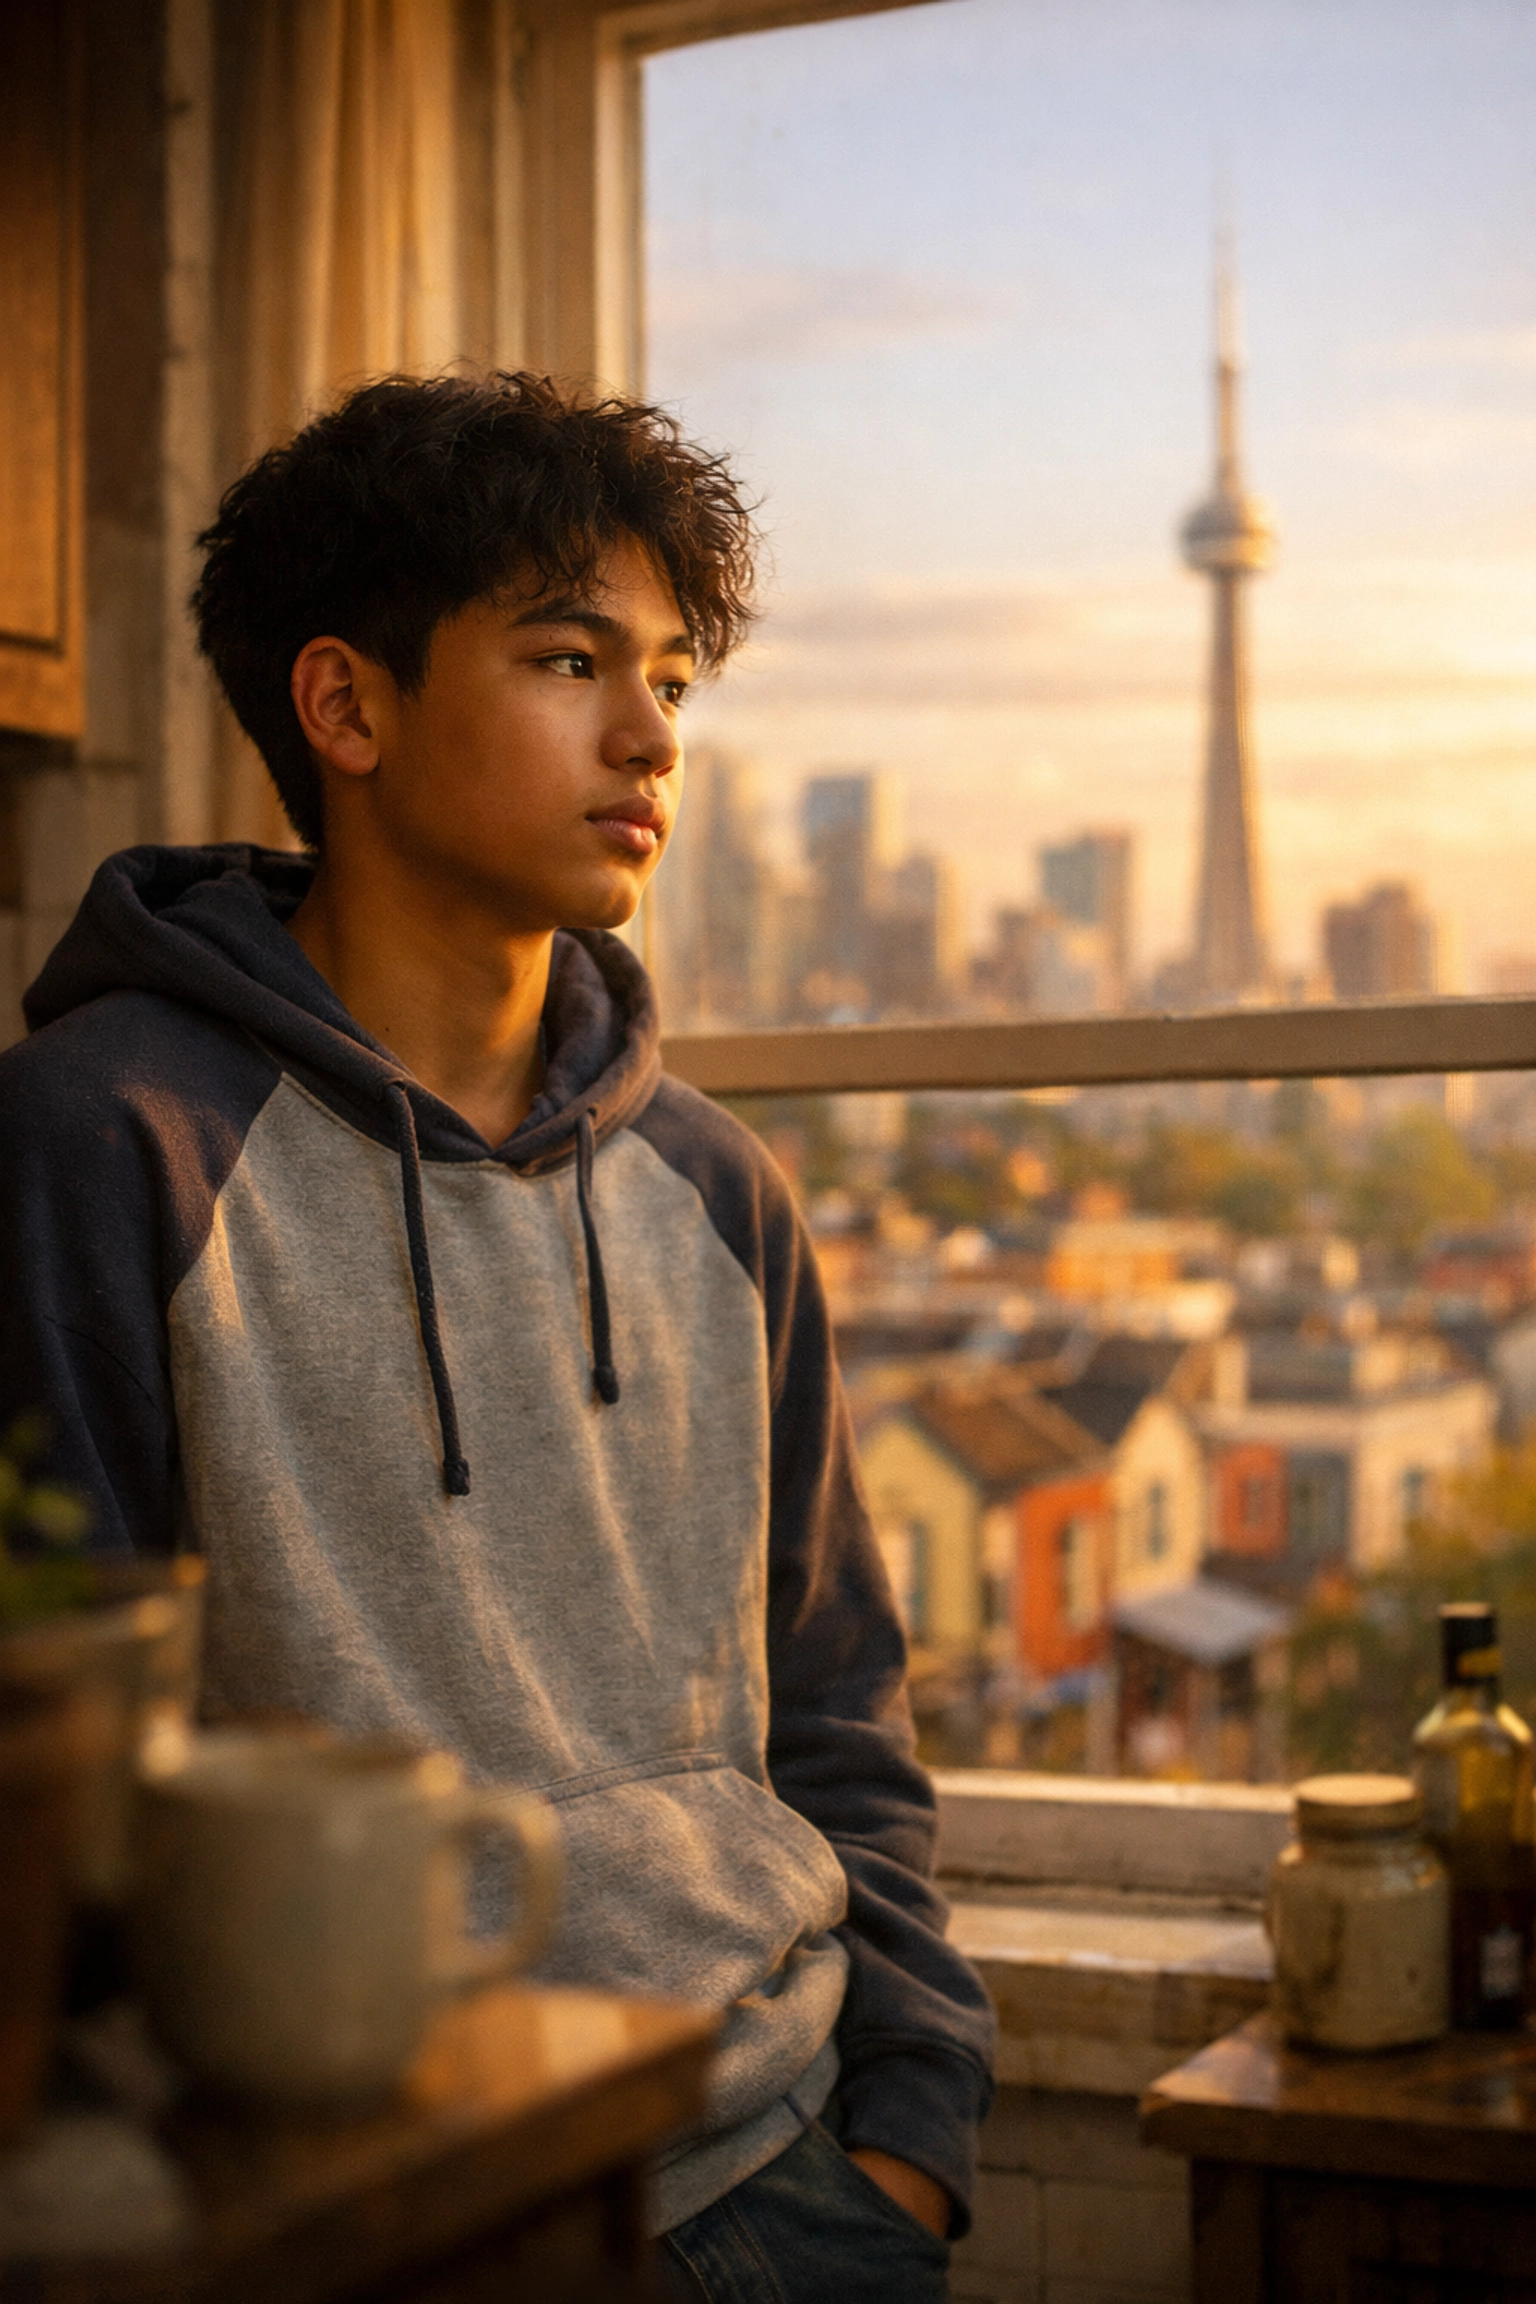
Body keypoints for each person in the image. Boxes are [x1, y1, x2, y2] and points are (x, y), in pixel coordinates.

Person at [0, 372, 994, 2300]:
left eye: (673, 680)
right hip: (361, 2208)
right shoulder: (105, 1146)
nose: (651, 736)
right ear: (345, 707)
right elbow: (58, 1789)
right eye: (566, 660)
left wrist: (911, 2145)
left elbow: (839, 1716)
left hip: (794, 2176)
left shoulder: (719, 1193)